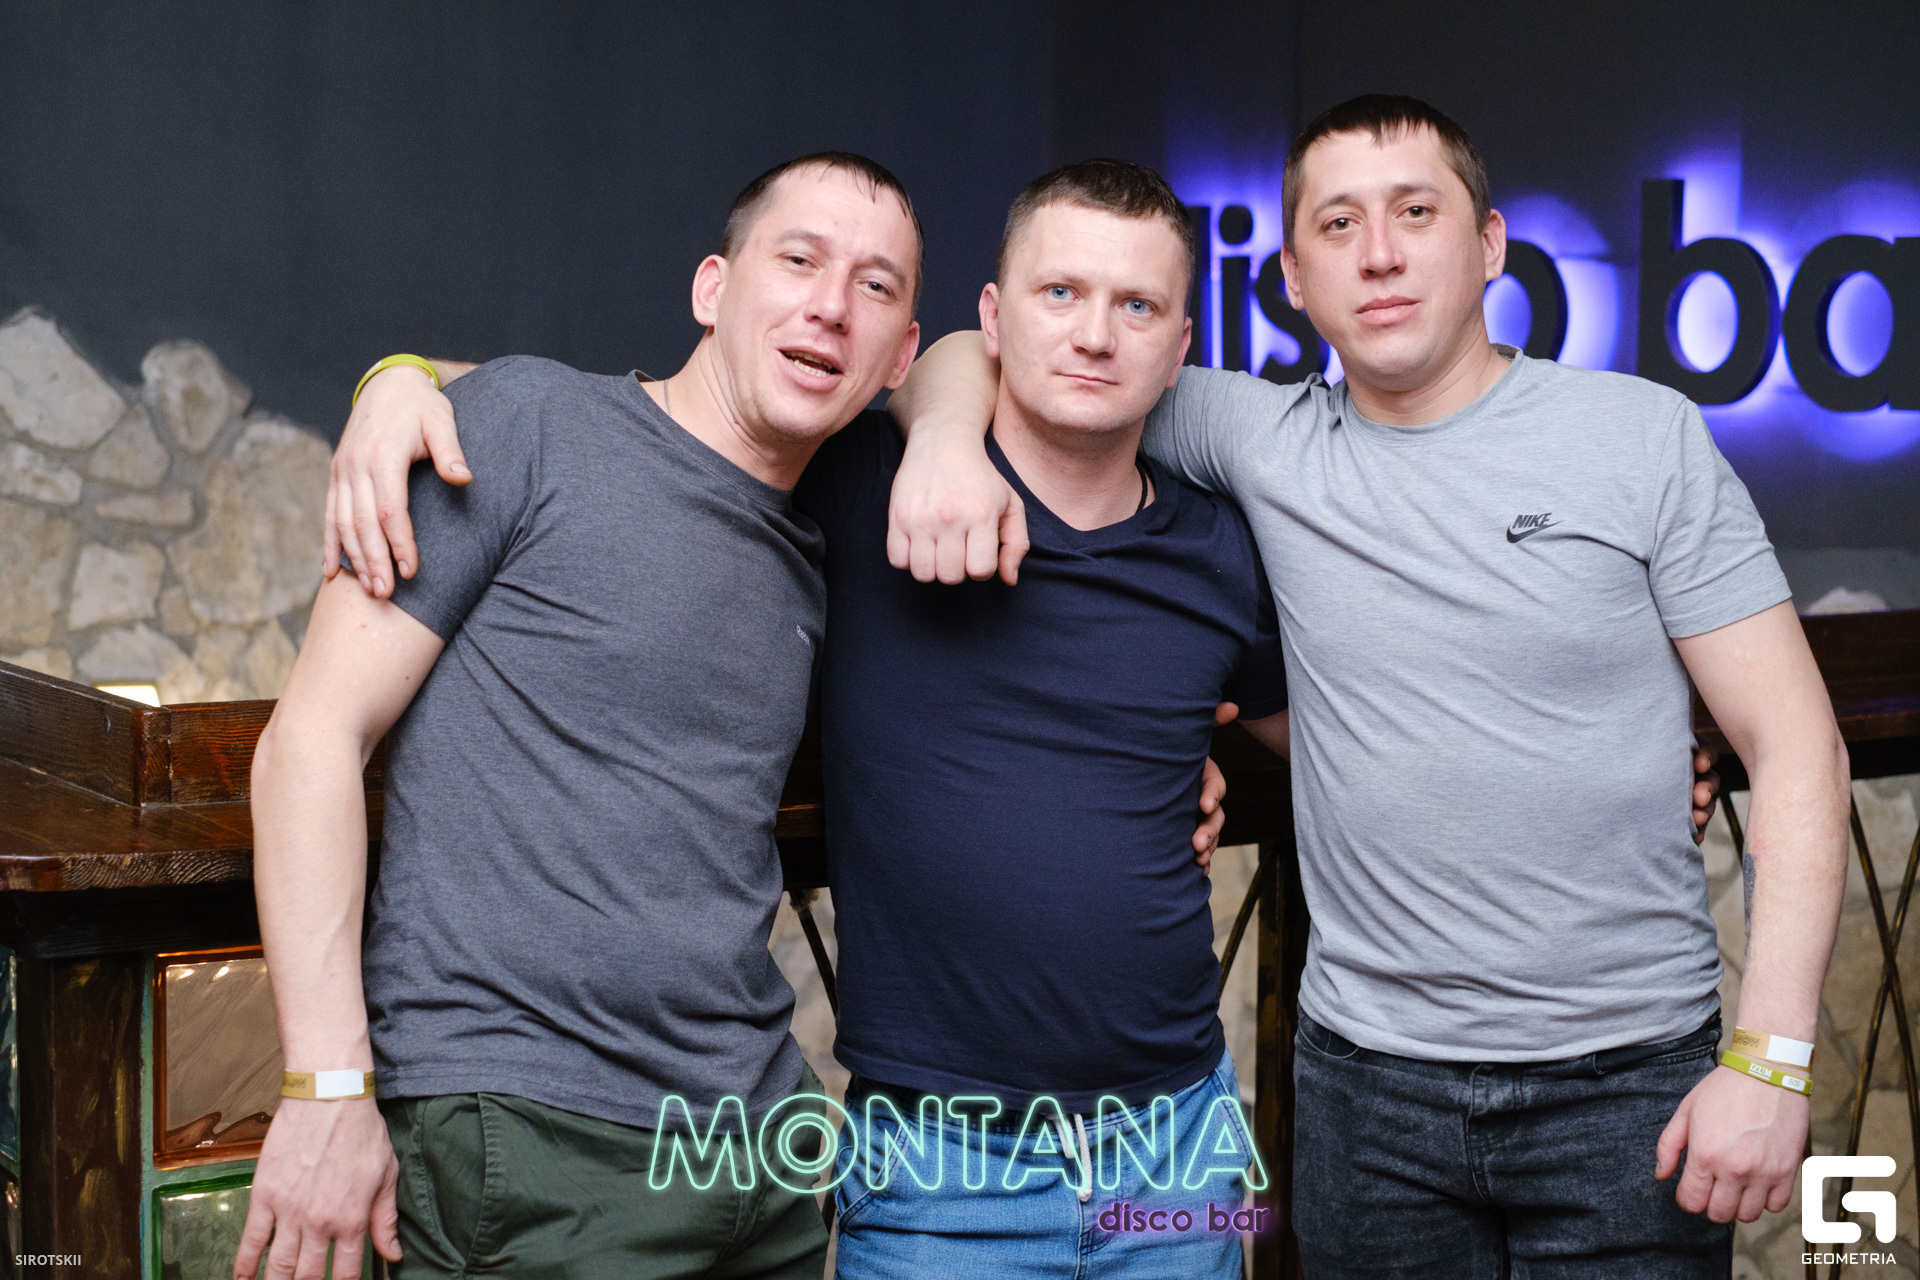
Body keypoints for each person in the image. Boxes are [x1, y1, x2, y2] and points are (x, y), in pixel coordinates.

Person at [326, 151, 1725, 1276]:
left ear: (1183, 345)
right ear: (991, 323)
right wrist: (398, 381)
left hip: (1181, 1146)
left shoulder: (1220, 546)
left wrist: (1610, 762)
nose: (1095, 333)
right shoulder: (864, 488)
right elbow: (640, 423)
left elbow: (1367, 734)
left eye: (1136, 308)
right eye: (1059, 294)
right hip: (935, 1162)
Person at [883, 97, 1851, 1276]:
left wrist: (1771, 1059)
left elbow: (1796, 745)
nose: (1379, 253)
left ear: (1488, 244)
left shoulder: (1642, 437)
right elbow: (986, 354)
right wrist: (943, 441)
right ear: (1294, 277)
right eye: (1338, 224)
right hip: (1367, 1090)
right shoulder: (1249, 432)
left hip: (1628, 1079)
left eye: (1415, 212)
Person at [240, 151, 927, 1280]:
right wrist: (326, 1085)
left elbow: (1007, 382)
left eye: (875, 285)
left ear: (899, 355)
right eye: (798, 260)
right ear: (712, 288)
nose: (830, 305)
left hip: (757, 1150)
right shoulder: (526, 422)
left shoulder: (835, 527)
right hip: (530, 1138)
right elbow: (310, 741)